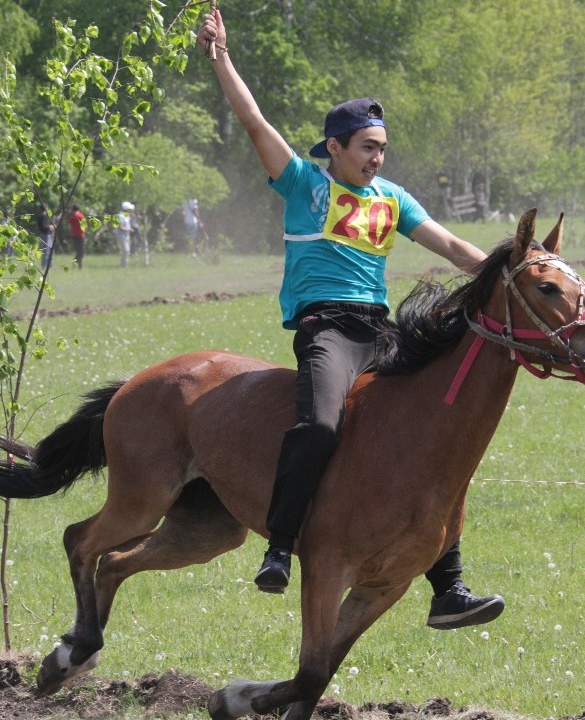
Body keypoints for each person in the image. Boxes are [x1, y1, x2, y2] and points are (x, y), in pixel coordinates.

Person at [198, 7, 505, 631]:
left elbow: (451, 246)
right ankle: (280, 546)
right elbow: (253, 120)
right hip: (329, 331)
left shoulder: (393, 199)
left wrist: (510, 271)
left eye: (382, 149)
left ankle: (448, 587)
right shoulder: (302, 183)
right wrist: (222, 58)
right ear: (334, 148)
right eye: (368, 147)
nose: (377, 159)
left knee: (439, 436)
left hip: (381, 331)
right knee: (319, 425)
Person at [35, 203, 55, 270]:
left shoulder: (43, 216)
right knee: (46, 251)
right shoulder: (42, 216)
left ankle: (49, 265)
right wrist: (50, 227)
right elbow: (43, 227)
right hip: (45, 236)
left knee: (49, 251)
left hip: (47, 235)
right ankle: (45, 266)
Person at [116, 201, 134, 268]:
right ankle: (123, 265)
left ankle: (124, 265)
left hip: (126, 235)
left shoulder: (126, 215)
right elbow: (120, 227)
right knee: (126, 250)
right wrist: (129, 229)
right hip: (121, 235)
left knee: (126, 251)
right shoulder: (121, 216)